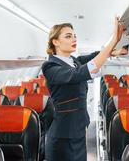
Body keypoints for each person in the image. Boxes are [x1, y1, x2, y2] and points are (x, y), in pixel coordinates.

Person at [42, 17, 124, 161]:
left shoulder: (75, 61)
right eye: (68, 36)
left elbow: (94, 56)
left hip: (79, 128)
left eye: (74, 36)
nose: (74, 39)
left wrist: (114, 51)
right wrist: (112, 42)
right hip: (62, 136)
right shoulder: (50, 67)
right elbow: (80, 73)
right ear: (55, 42)